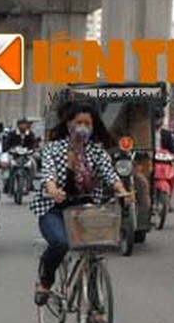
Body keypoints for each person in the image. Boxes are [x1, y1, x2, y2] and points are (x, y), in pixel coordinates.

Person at [30, 100, 129, 306]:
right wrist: (53, 190)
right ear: (68, 124)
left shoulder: (96, 151)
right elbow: (48, 173)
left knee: (96, 248)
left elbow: (110, 174)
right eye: (79, 122)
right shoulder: (54, 149)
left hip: (85, 209)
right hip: (54, 209)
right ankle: (45, 282)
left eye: (88, 123)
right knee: (60, 244)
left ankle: (93, 302)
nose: (83, 127)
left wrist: (123, 191)